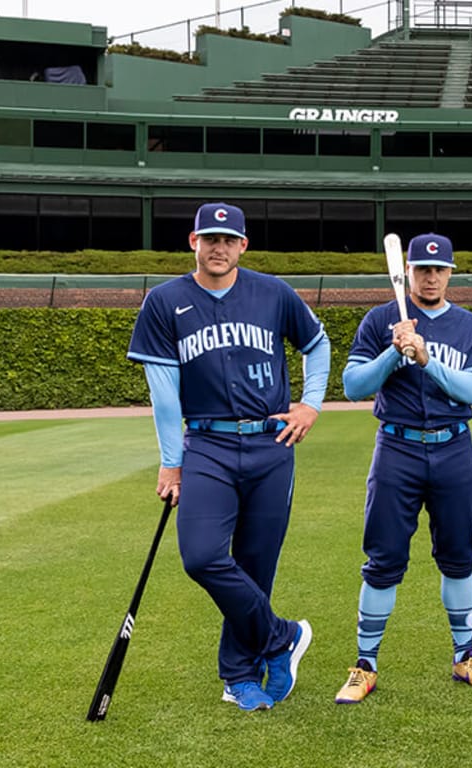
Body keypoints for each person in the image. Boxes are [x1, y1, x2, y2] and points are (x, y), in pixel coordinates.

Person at [126, 202, 328, 712]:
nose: (219, 247)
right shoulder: (164, 300)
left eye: (229, 239)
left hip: (271, 443)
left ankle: (238, 674)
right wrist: (171, 462)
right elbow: (164, 393)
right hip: (208, 446)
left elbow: (317, 344)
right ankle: (281, 636)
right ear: (193, 241)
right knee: (202, 556)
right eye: (209, 238)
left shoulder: (273, 292)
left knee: (256, 565)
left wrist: (310, 404)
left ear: (243, 245)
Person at [333, 233, 472, 703]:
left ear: (450, 273)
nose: (430, 277)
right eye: (422, 269)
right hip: (397, 449)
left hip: (453, 448)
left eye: (439, 269)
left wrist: (425, 360)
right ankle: (365, 665)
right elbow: (352, 386)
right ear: (407, 272)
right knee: (383, 558)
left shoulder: (470, 325)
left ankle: (465, 655)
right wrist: (393, 352)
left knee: (458, 555)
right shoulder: (380, 319)